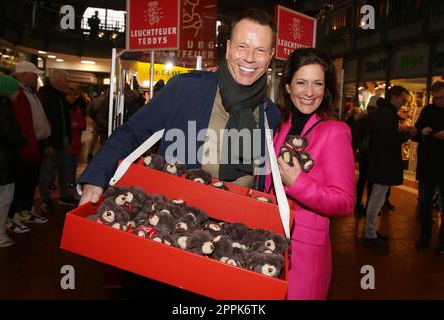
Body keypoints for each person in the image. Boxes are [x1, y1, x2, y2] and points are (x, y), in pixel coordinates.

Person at [77, 9, 280, 206]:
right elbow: (133, 131)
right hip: (177, 218)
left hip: (238, 222)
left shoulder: (269, 113)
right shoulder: (187, 88)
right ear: (228, 48)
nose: (250, 57)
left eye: (260, 50)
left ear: (270, 56)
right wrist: (97, 174)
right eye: (242, 46)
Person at [265, 48, 355, 300]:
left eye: (318, 84)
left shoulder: (335, 131)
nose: (309, 92)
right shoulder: (280, 126)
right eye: (301, 82)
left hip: (305, 254)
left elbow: (345, 200)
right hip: (271, 243)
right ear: (287, 86)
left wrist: (298, 183)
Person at [363, 86, 417, 251]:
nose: (403, 102)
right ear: (393, 97)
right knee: (377, 198)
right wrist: (406, 135)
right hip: (383, 163)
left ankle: (371, 230)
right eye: (402, 98)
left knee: (378, 197)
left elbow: (385, 135)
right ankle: (369, 233)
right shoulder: (386, 114)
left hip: (381, 162)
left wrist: (400, 130)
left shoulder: (384, 113)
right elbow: (387, 139)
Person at [6, 61, 50, 233]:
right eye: (34, 74)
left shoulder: (30, 93)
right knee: (21, 183)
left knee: (30, 182)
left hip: (34, 144)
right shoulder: (18, 94)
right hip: (25, 147)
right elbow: (21, 123)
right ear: (24, 74)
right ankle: (13, 215)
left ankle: (24, 210)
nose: (36, 77)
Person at [38, 69, 78, 213]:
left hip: (62, 140)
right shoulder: (46, 96)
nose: (67, 83)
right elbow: (44, 121)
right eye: (66, 80)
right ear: (58, 81)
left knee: (64, 169)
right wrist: (47, 143)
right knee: (48, 171)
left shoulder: (60, 97)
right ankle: (45, 199)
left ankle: (65, 195)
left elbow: (63, 119)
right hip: (52, 141)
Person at [0, 75, 26, 247]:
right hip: (3, 162)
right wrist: (23, 138)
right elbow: (10, 135)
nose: (17, 93)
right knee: (2, 201)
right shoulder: (4, 109)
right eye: (15, 90)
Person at [413, 80, 444, 254]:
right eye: (435, 98)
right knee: (424, 203)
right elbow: (416, 132)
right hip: (427, 165)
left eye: (441, 98)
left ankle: (443, 242)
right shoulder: (427, 110)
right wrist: (422, 131)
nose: (438, 101)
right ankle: (425, 236)